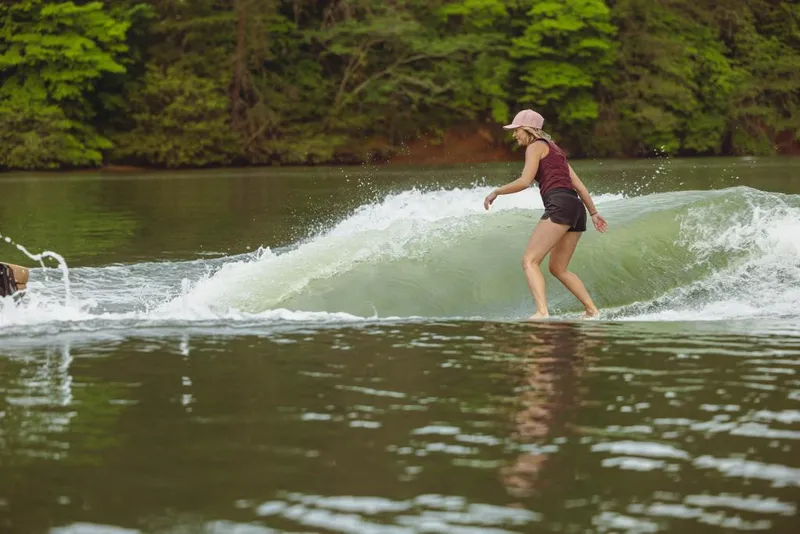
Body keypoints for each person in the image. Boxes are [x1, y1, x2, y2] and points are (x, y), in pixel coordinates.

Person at [483, 109, 608, 319]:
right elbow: (579, 186)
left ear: (528, 129)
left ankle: (542, 312)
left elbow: (524, 181)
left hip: (559, 205)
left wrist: (497, 191)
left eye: (517, 130)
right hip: (576, 209)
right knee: (559, 268)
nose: (514, 135)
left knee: (529, 261)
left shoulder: (534, 147)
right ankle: (591, 310)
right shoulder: (556, 151)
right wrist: (593, 213)